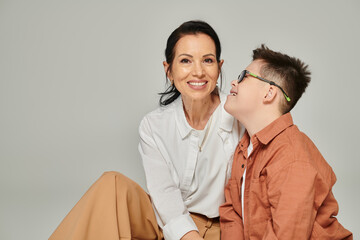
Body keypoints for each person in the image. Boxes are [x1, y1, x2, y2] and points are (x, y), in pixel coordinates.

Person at [49, 20, 242, 240]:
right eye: (185, 61)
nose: (198, 71)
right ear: (168, 70)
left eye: (207, 60)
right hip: (167, 225)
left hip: (227, 228)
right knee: (111, 183)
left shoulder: (240, 113)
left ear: (219, 67)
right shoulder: (154, 125)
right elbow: (165, 195)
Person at [219, 44, 353, 239]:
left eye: (243, 76)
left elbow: (287, 235)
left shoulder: (292, 156)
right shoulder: (244, 147)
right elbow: (232, 212)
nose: (233, 81)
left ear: (269, 93)